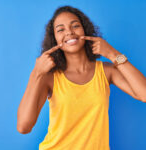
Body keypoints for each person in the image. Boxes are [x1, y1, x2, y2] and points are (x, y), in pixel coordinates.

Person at [17, 5, 146, 150]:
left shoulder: (106, 71)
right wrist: (36, 73)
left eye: (75, 26)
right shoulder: (49, 77)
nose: (69, 32)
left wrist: (112, 54)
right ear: (55, 40)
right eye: (61, 30)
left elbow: (144, 94)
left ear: (85, 30)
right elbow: (23, 127)